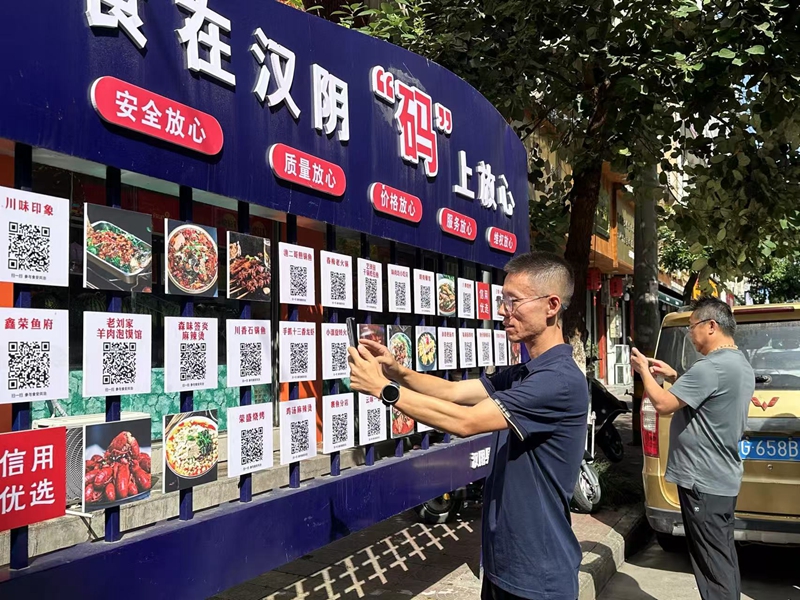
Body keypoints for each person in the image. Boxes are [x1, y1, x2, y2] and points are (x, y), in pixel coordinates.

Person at [348, 252, 588, 600]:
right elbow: (454, 392)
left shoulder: (557, 381)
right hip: (504, 567)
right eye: (502, 300)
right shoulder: (525, 373)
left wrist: (384, 390)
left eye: (514, 301)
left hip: (538, 577)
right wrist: (396, 371)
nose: (503, 311)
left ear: (551, 305)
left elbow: (465, 421)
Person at [630, 296, 754, 600]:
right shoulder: (738, 363)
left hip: (703, 480)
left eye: (691, 326)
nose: (689, 333)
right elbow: (708, 397)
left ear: (711, 326)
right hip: (720, 477)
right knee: (721, 556)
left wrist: (643, 370)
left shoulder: (711, 367)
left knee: (712, 565)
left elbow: (663, 404)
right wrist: (674, 376)